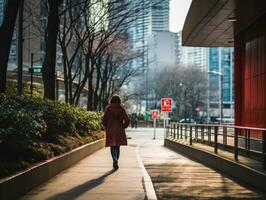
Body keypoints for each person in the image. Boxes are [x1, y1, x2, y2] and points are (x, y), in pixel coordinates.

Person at [102, 95, 130, 170]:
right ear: (119, 101)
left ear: (111, 101)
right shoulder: (122, 109)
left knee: (112, 146)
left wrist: (107, 126)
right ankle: (116, 159)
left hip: (110, 130)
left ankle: (114, 158)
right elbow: (128, 120)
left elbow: (103, 120)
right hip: (119, 130)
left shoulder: (108, 109)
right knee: (117, 147)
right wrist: (123, 126)